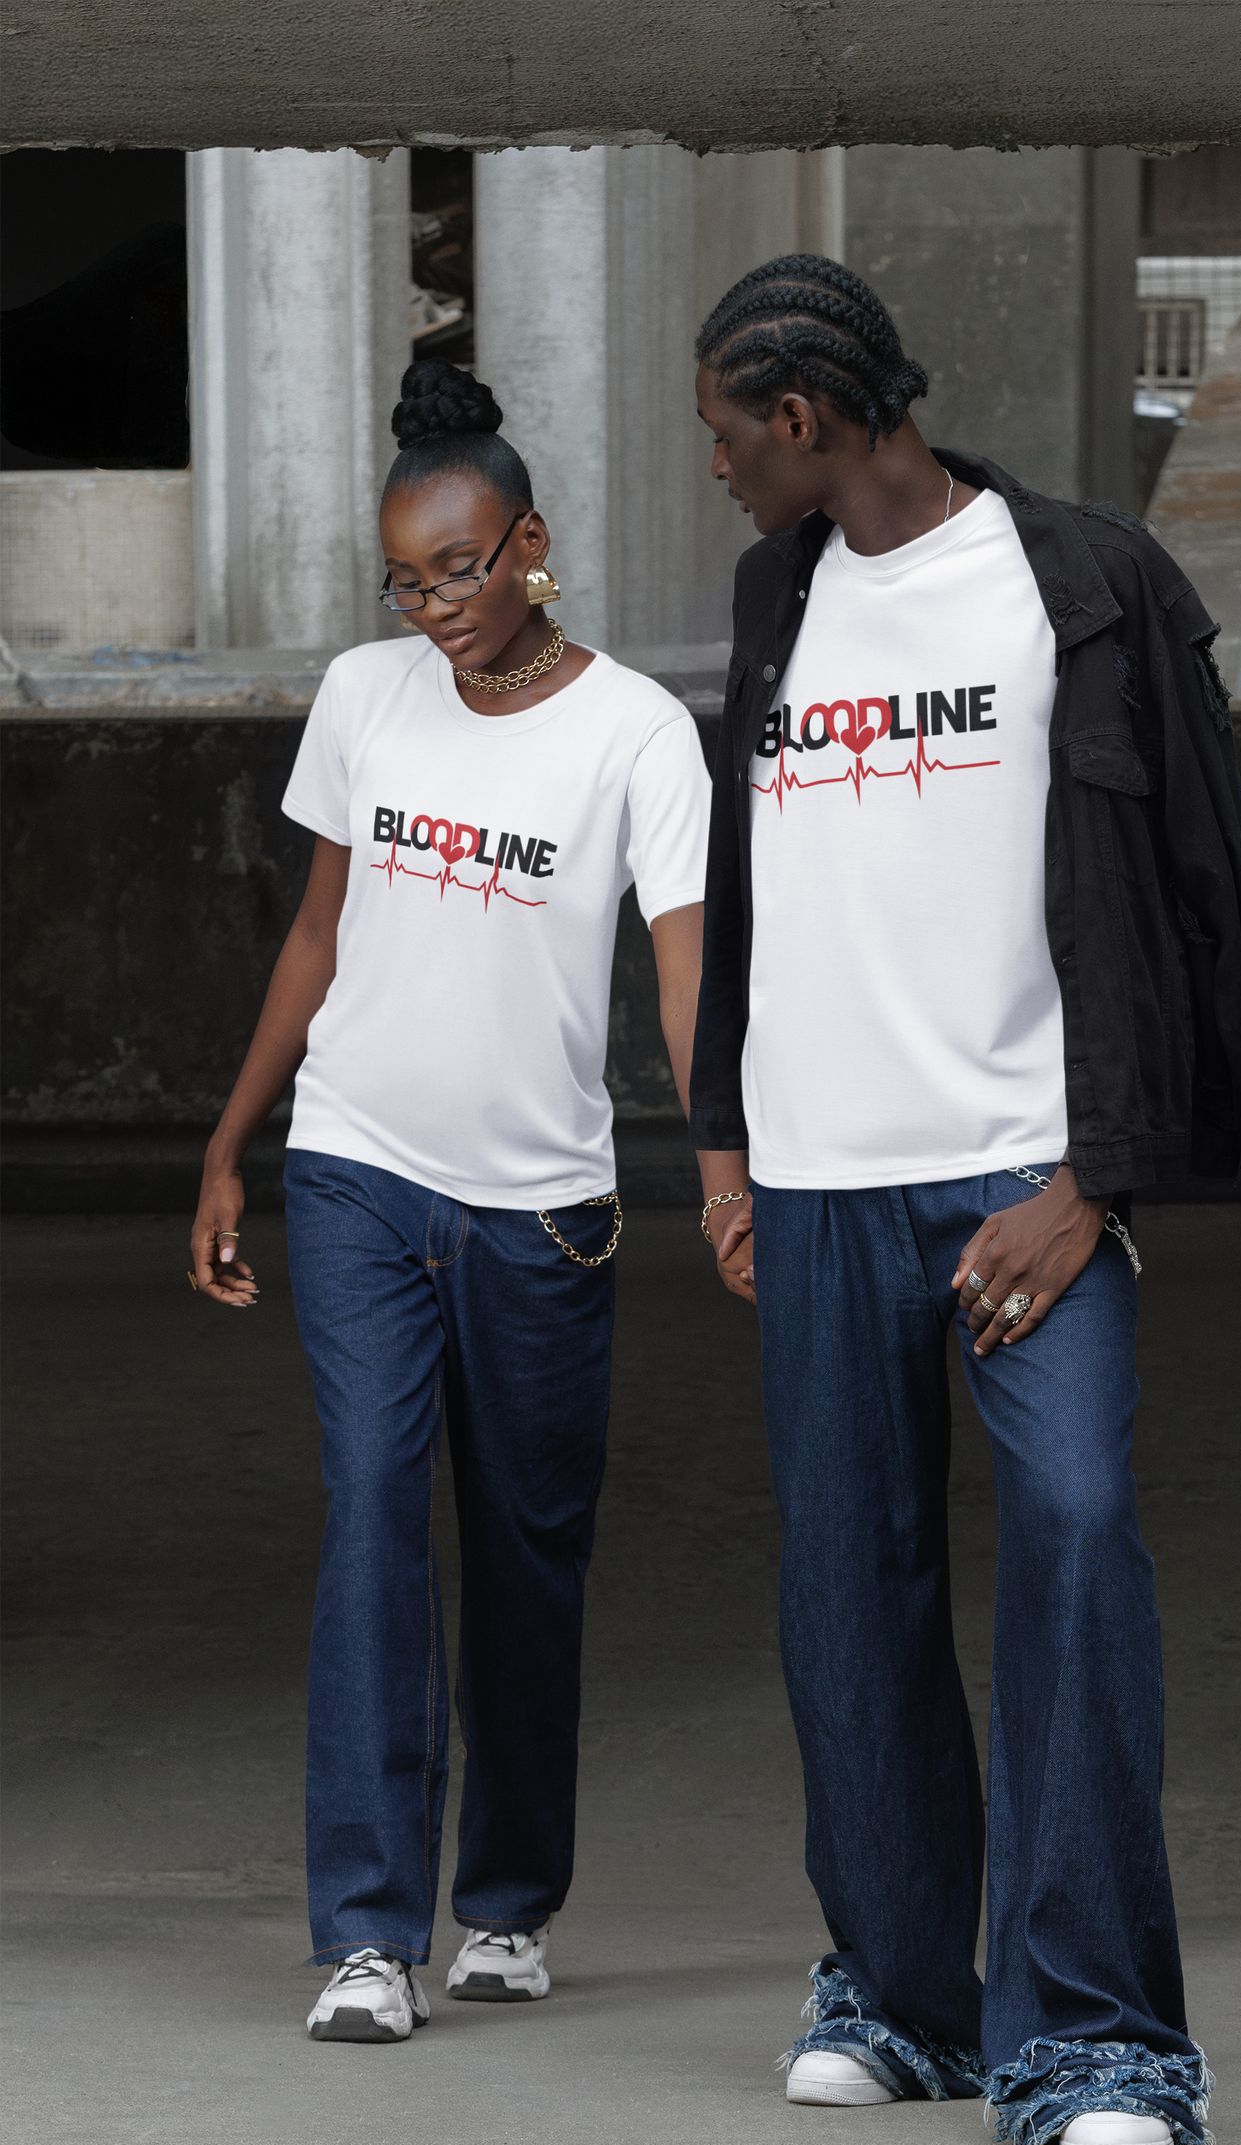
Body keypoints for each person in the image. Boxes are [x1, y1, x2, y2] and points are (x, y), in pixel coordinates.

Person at [689, 256, 1241, 2145]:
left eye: (726, 432)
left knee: (1070, 1529)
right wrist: (726, 1141)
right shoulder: (778, 589)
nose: (715, 465)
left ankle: (1106, 2041)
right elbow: (758, 867)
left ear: (803, 417)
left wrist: (1095, 1177)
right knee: (846, 1586)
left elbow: (1183, 897)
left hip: (1018, 1180)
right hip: (816, 1180)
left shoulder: (1081, 584)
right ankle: (898, 1989)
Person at [190, 361, 711, 2042]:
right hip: (356, 1170)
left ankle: (504, 1901)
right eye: (407, 580)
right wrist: (231, 1137)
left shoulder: (637, 732)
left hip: (542, 1208)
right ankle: (364, 1929)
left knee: (529, 1550)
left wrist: (727, 1158)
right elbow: (319, 935)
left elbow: (691, 975)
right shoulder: (362, 696)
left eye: (463, 570)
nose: (434, 610)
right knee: (372, 1510)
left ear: (533, 546)